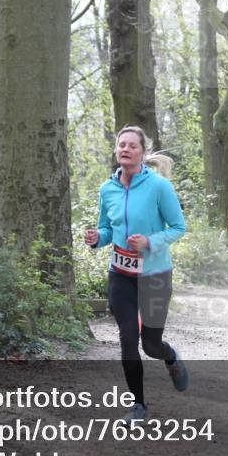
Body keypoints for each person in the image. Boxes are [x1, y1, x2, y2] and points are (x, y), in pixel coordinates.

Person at [84, 126, 188, 423]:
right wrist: (97, 239)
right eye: (121, 145)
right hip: (120, 274)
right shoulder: (108, 189)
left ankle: (170, 357)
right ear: (116, 151)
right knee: (128, 338)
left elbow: (178, 227)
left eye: (132, 145)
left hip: (155, 274)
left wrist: (150, 243)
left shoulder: (158, 186)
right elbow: (107, 229)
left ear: (143, 152)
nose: (126, 149)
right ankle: (138, 405)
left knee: (150, 344)